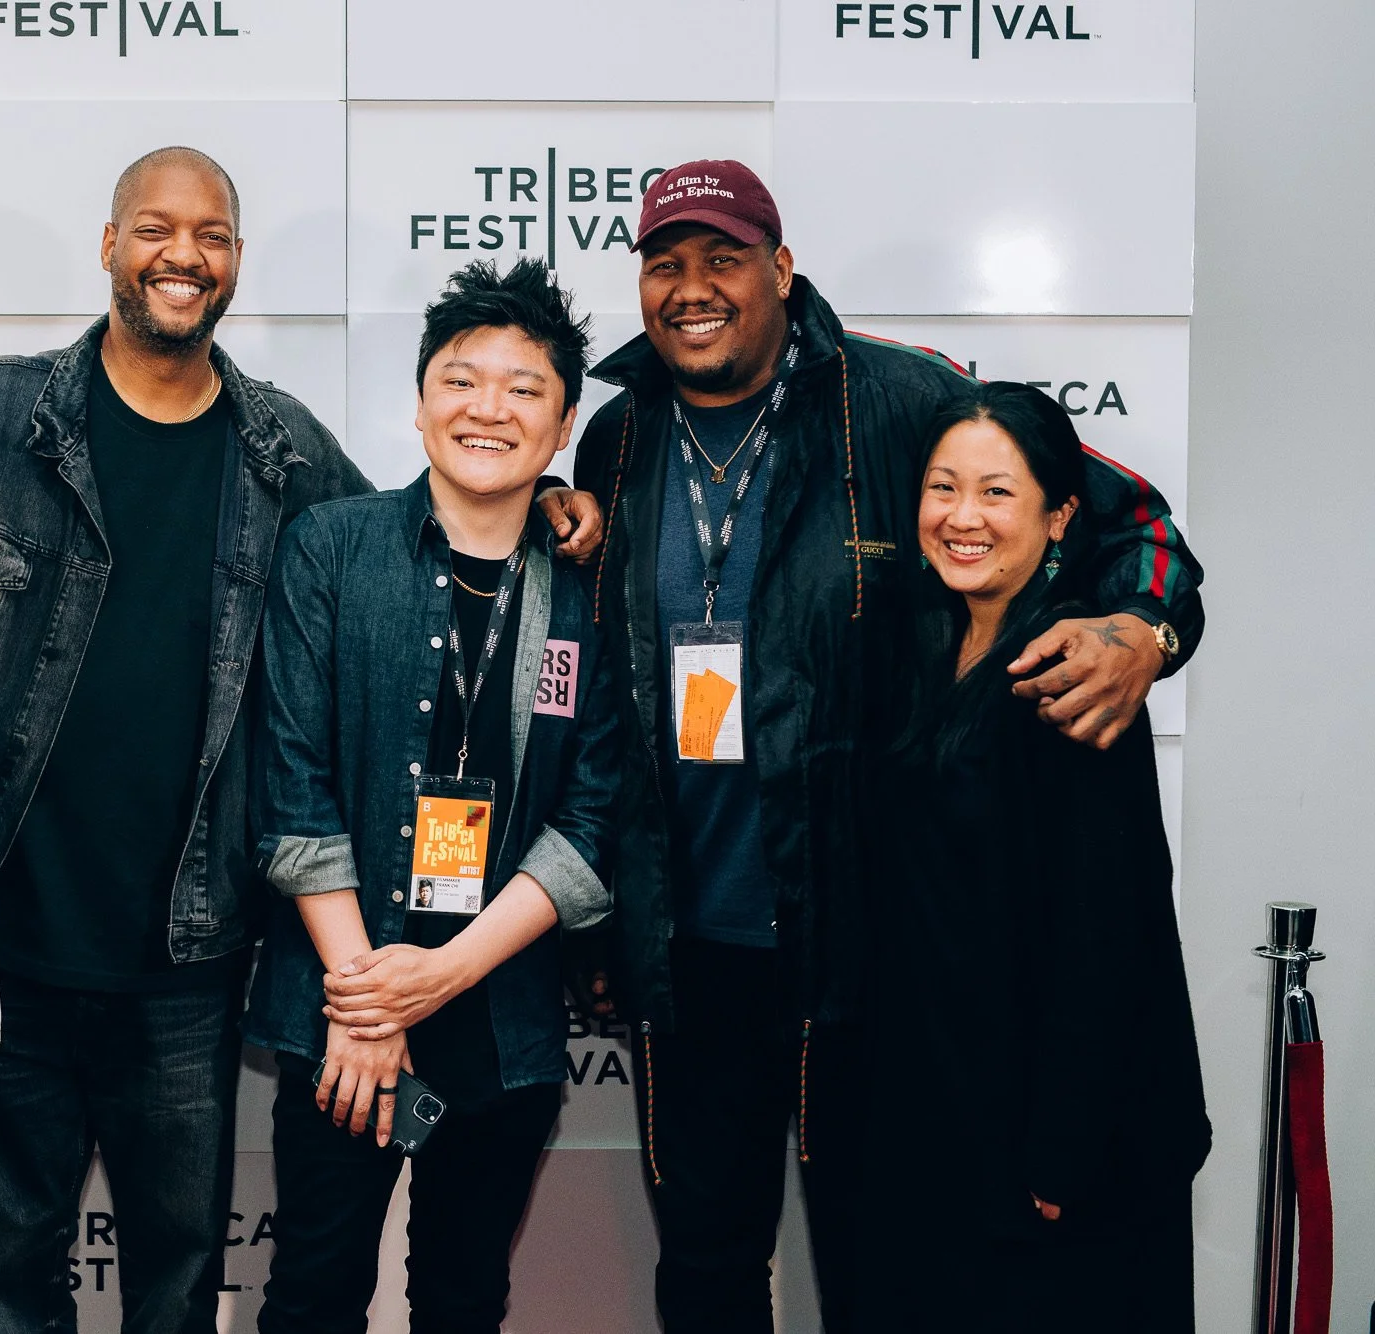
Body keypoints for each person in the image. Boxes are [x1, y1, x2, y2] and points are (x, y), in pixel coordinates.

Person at [0, 148, 602, 1334]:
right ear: (107, 244)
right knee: (7, 1294)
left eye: (211, 235)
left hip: (187, 968)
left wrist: (548, 505)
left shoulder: (282, 450)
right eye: (155, 227)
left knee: (177, 1297)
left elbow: (427, 530)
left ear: (235, 263)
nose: (181, 254)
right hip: (5, 961)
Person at [567, 159, 1208, 1332]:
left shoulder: (898, 399)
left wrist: (1142, 625)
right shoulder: (613, 437)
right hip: (684, 950)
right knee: (703, 1272)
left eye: (722, 258)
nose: (691, 287)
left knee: (883, 1275)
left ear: (780, 268)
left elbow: (1123, 513)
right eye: (665, 263)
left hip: (857, 949)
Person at [244, 258, 623, 1334]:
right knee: (312, 1294)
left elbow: (592, 817)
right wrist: (369, 1000)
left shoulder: (590, 586)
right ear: (417, 405)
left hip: (497, 1010)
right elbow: (292, 786)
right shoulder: (331, 546)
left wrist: (440, 976)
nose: (486, 408)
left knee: (462, 1299)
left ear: (558, 429)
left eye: (523, 388)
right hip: (339, 1007)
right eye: (460, 379)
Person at [855, 381, 1209, 1331]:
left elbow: (1108, 934)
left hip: (1056, 1152)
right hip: (951, 1118)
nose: (962, 518)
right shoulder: (925, 643)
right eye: (942, 488)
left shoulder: (1076, 669)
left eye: (997, 493)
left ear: (1060, 518)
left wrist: (1063, 1150)